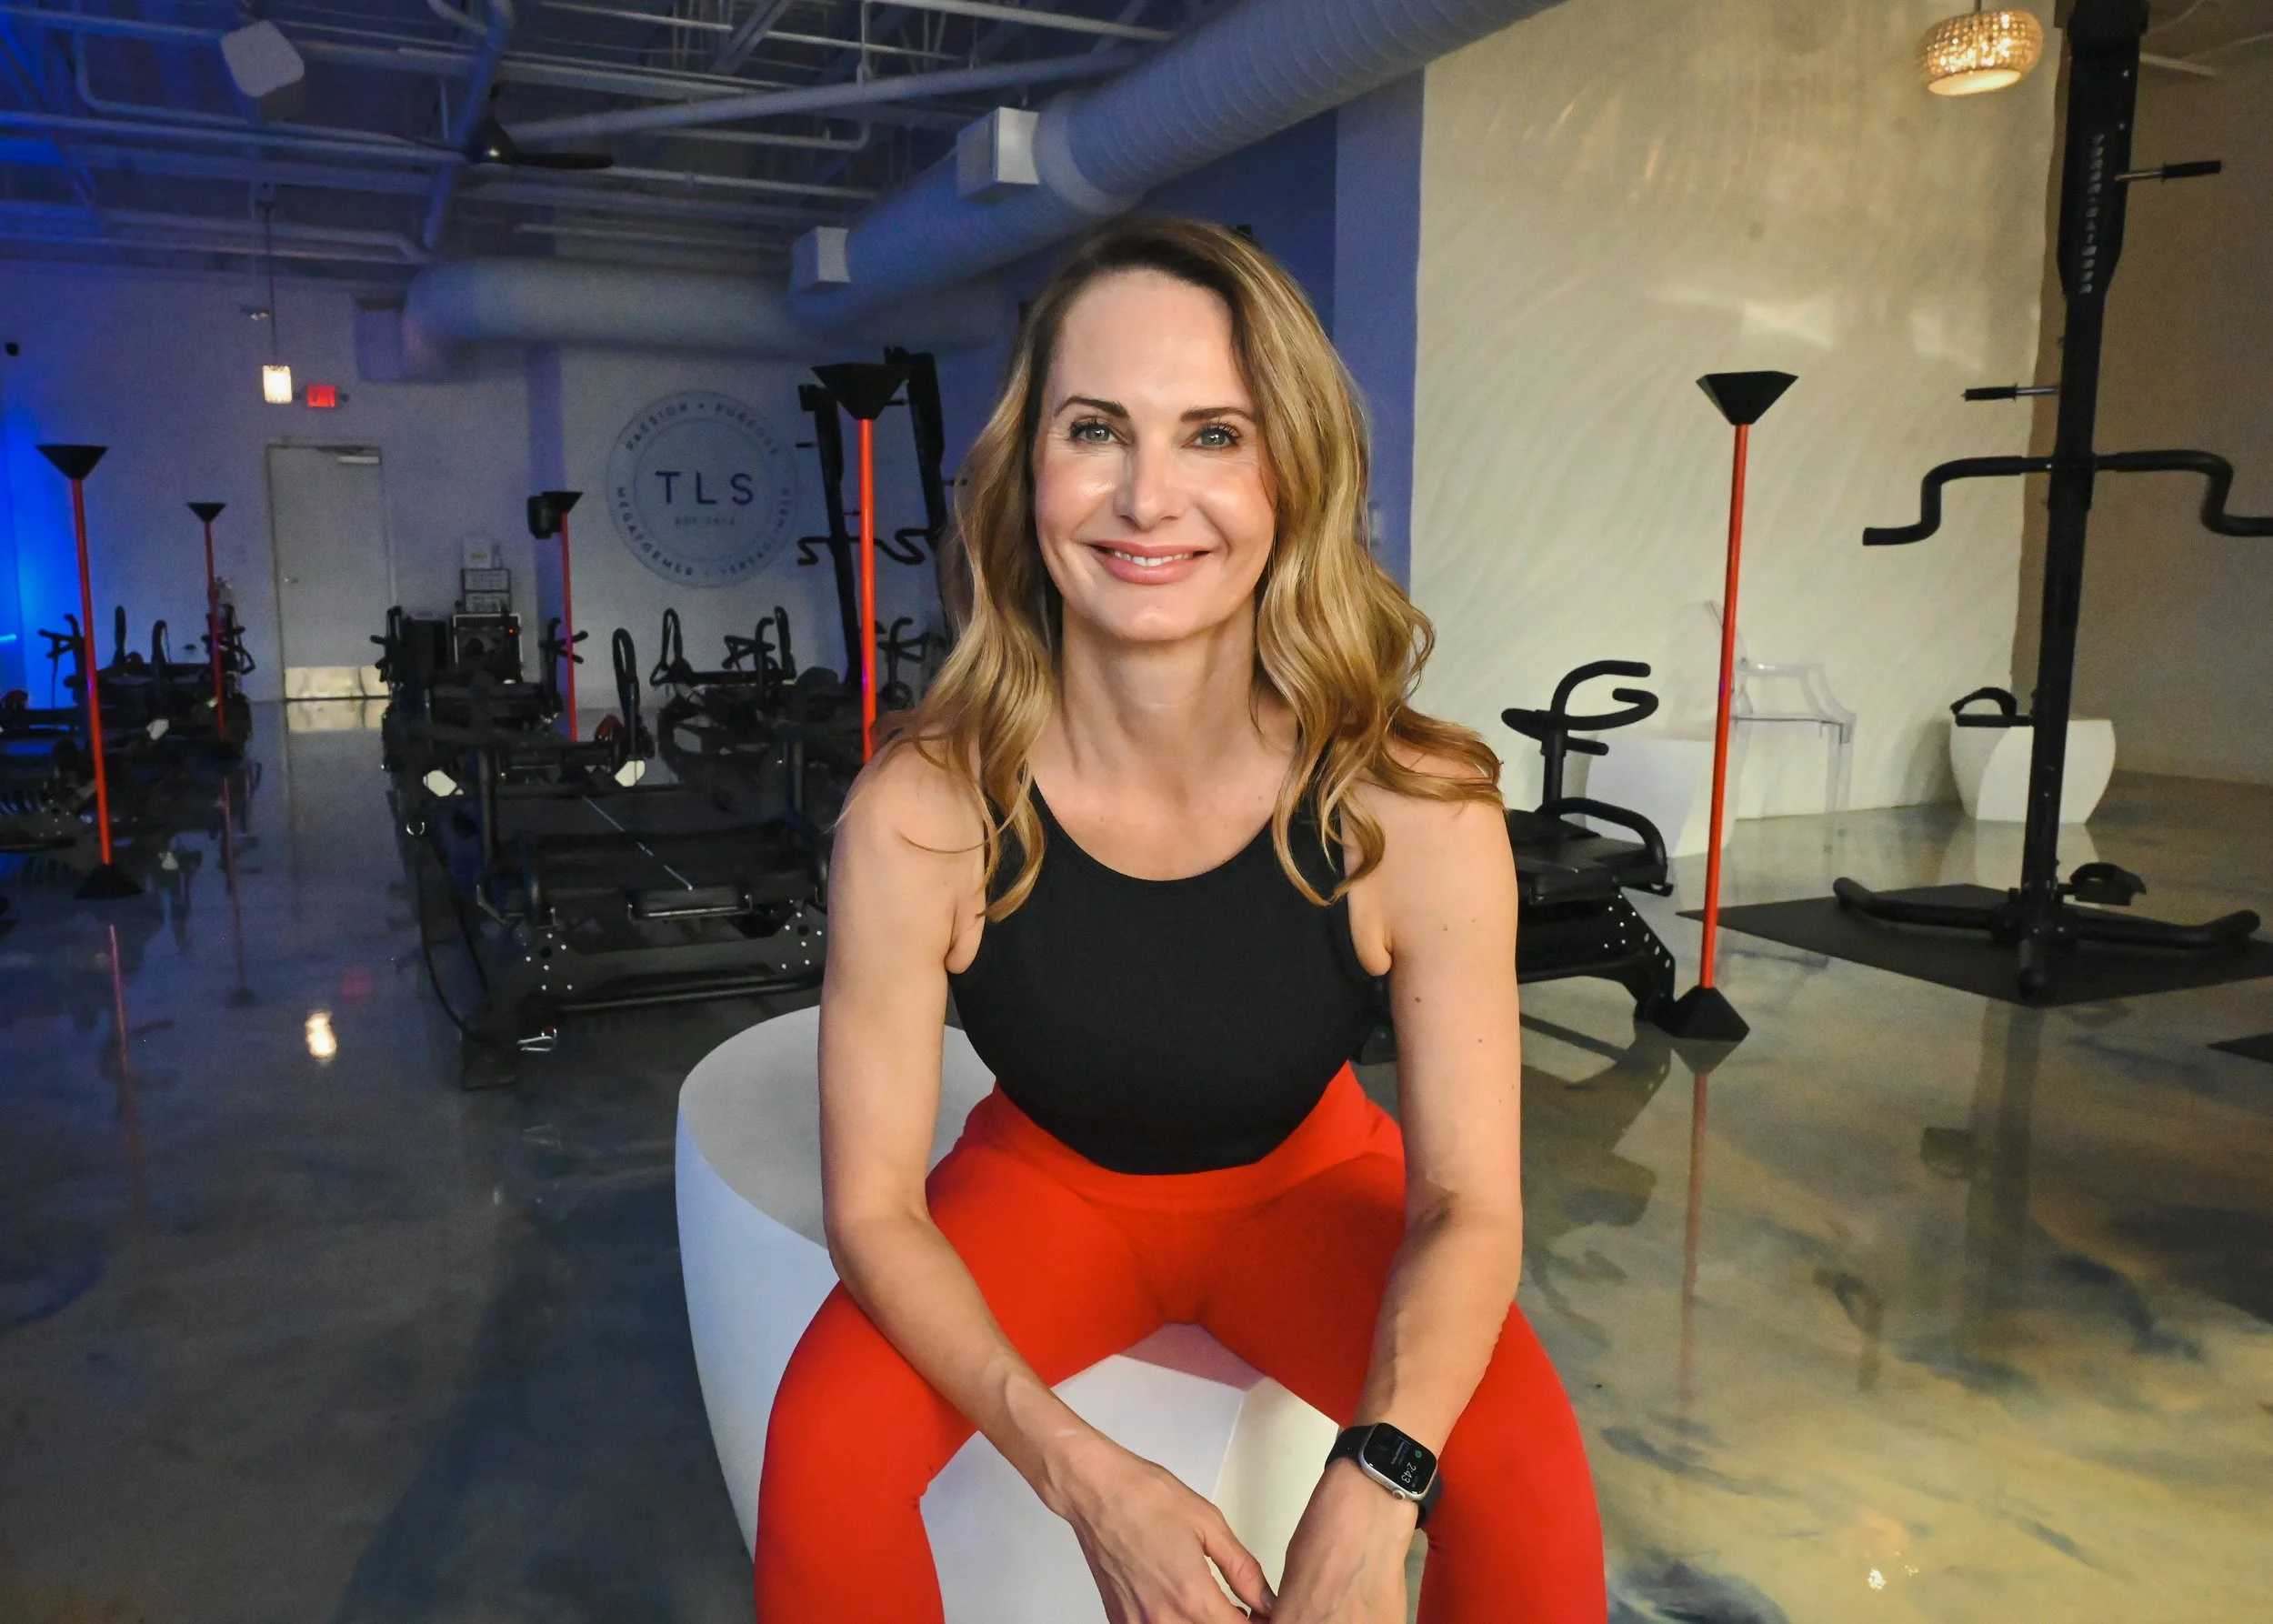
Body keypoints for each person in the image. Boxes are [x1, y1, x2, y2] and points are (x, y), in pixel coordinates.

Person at [755, 216, 1605, 1623]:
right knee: (824, 1452)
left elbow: (1470, 1204)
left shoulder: (1414, 809)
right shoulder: (921, 812)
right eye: (1097, 429)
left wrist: (1378, 1479)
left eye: (1215, 434)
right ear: (1029, 471)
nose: (1149, 498)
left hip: (1308, 1186)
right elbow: (873, 1209)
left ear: (1293, 475)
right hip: (1047, 1187)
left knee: (1527, 1479)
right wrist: (1084, 1473)